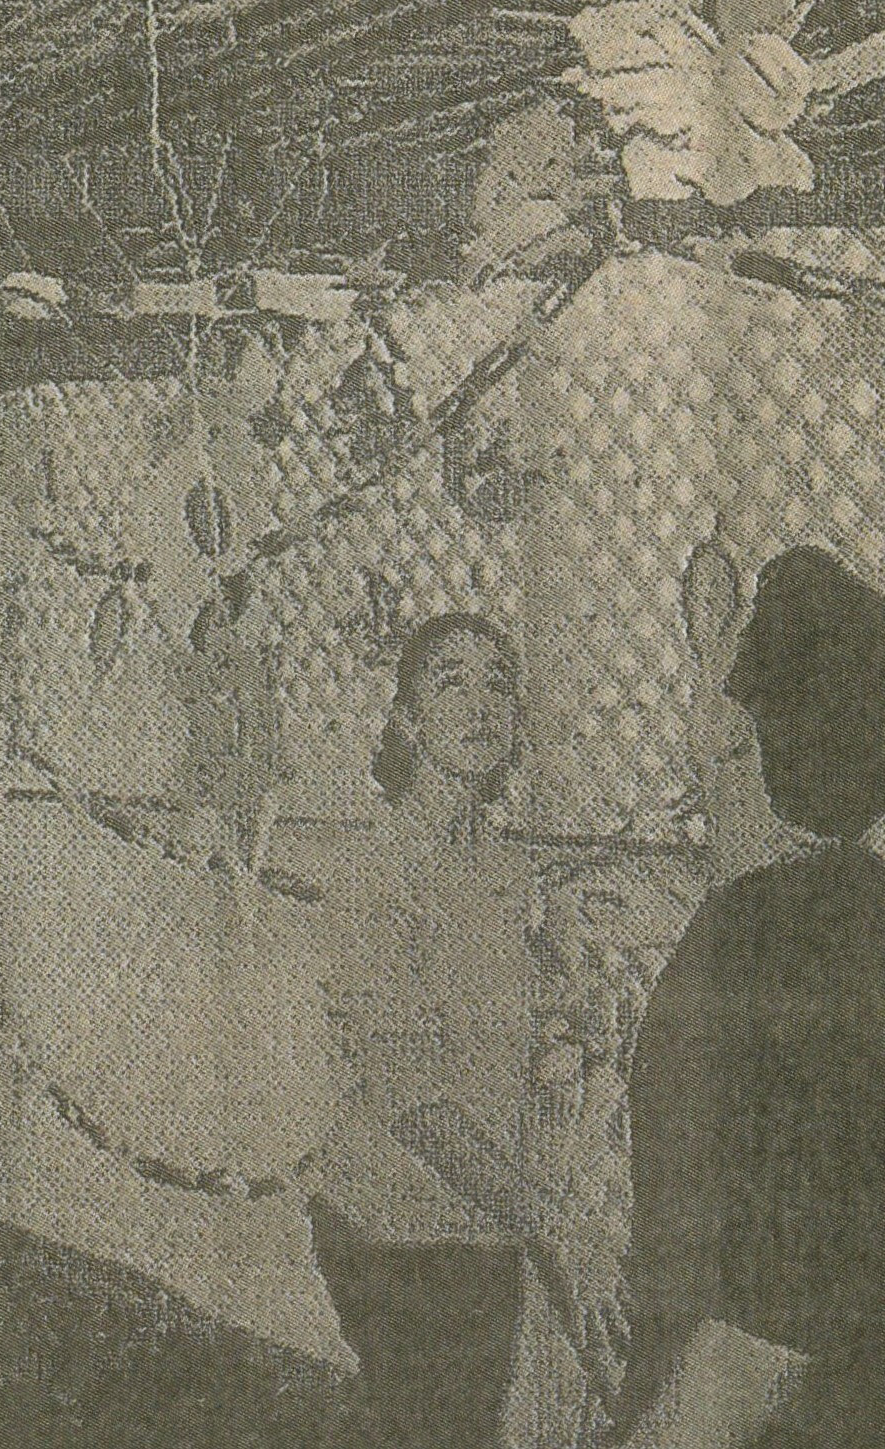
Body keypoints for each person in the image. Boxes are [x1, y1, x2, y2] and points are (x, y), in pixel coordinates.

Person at [618, 546, 885, 1449]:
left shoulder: (754, 937)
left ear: (765, 738)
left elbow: (774, 1281)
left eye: (736, 710)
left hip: (771, 1382)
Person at [309, 612, 629, 1448]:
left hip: (489, 1227)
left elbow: (513, 1037)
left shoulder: (504, 869)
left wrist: (572, 999)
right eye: (451, 680)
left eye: (499, 682)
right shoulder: (377, 869)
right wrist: (556, 1225)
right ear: (407, 721)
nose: (481, 702)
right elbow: (409, 1100)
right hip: (397, 1234)